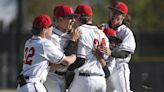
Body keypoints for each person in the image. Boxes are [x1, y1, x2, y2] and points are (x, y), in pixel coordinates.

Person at [16, 14, 77, 92]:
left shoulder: (29, 42)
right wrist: (75, 53)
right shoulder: (44, 44)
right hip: (33, 84)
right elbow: (67, 61)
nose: (52, 28)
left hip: (23, 84)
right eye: (50, 26)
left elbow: (43, 64)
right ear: (44, 29)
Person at [68, 4, 110, 92]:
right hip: (101, 80)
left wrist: (65, 68)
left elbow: (81, 60)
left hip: (85, 80)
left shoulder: (80, 30)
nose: (74, 20)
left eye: (75, 17)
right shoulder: (102, 33)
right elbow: (105, 59)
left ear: (79, 17)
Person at [44, 5, 81, 92]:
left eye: (74, 17)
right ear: (60, 19)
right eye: (70, 18)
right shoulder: (52, 36)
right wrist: (72, 41)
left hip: (64, 76)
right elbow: (63, 60)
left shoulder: (71, 34)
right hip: (51, 76)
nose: (73, 21)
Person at [102, 1, 136, 92]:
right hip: (105, 66)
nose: (114, 14)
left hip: (119, 67)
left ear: (123, 16)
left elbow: (125, 53)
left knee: (124, 90)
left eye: (117, 13)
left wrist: (111, 53)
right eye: (112, 11)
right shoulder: (102, 28)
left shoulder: (126, 32)